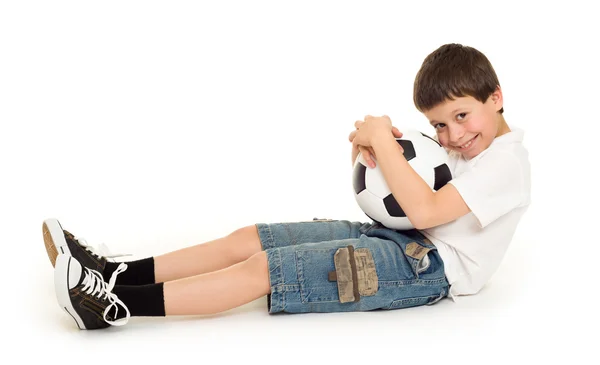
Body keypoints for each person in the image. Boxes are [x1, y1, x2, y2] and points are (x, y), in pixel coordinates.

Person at [44, 43, 531, 330]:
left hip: (427, 271)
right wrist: (368, 149)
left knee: (268, 269)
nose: (452, 135)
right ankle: (112, 270)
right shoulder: (461, 150)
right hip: (397, 239)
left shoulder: (507, 164)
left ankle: (111, 306)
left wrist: (382, 138)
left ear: (497, 97)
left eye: (461, 116)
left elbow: (424, 212)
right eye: (439, 125)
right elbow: (392, 197)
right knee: (248, 238)